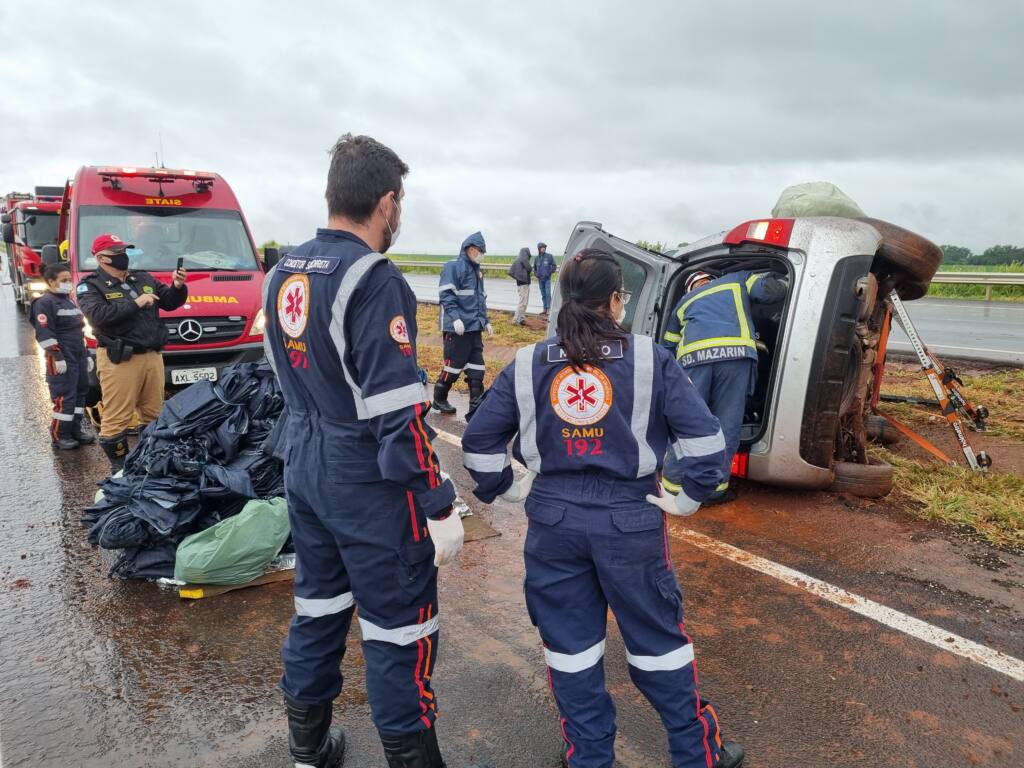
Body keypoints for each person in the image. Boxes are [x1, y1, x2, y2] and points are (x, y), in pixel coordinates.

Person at [461, 249, 745, 768]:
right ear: (616, 301)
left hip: (553, 522)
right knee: (660, 644)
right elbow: (706, 443)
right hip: (630, 518)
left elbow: (478, 444)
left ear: (564, 299)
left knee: (571, 651)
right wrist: (689, 496)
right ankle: (697, 753)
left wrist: (507, 488)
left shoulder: (527, 364)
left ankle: (590, 759)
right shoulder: (649, 358)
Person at [262, 134, 471, 768]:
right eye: (399, 202)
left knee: (318, 608)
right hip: (364, 478)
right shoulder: (373, 279)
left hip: (303, 461)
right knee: (398, 628)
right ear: (386, 202)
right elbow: (396, 414)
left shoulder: (282, 272)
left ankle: (309, 750)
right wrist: (436, 501)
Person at [660, 269, 787, 504]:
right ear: (712, 279)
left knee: (686, 422)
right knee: (726, 423)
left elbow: (667, 347)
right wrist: (778, 280)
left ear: (690, 287)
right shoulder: (737, 280)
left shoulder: (682, 303)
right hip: (735, 356)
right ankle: (714, 491)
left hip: (693, 360)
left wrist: (672, 380)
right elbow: (769, 292)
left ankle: (672, 485)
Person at [78, 233, 188, 472]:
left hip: (152, 356)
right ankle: (120, 471)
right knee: (117, 418)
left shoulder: (142, 278)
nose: (123, 257)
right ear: (101, 258)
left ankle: (149, 465)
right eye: (117, 253)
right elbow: (97, 315)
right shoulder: (90, 285)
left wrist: (178, 287)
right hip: (120, 360)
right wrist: (137, 303)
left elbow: (168, 302)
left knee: (154, 414)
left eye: (124, 252)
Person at [31, 263, 95, 449]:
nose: (68, 283)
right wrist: (57, 357)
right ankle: (60, 435)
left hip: (78, 355)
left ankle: (75, 430)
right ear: (51, 281)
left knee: (80, 393)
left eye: (69, 280)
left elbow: (79, 330)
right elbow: (45, 334)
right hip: (62, 357)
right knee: (64, 396)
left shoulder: (68, 300)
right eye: (64, 280)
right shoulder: (44, 303)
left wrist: (87, 354)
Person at [434, 232, 492, 415]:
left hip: (474, 328)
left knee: (477, 369)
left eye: (482, 251)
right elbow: (446, 295)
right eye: (478, 251)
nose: (480, 254)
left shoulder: (477, 271)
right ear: (469, 249)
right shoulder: (454, 267)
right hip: (457, 328)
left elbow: (479, 300)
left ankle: (476, 408)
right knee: (453, 367)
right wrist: (455, 318)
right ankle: (439, 399)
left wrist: (486, 321)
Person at [508, 246, 532, 325]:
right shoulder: (523, 259)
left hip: (520, 283)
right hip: (524, 284)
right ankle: (516, 320)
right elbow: (529, 269)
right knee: (523, 303)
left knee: (523, 302)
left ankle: (521, 318)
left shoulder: (517, 259)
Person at [534, 242, 557, 315]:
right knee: (543, 294)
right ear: (539, 249)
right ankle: (544, 309)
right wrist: (536, 274)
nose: (543, 249)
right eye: (542, 248)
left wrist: (549, 272)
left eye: (544, 248)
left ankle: (548, 309)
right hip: (540, 279)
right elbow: (534, 267)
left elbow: (554, 266)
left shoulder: (549, 256)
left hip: (547, 279)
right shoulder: (537, 258)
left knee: (548, 294)